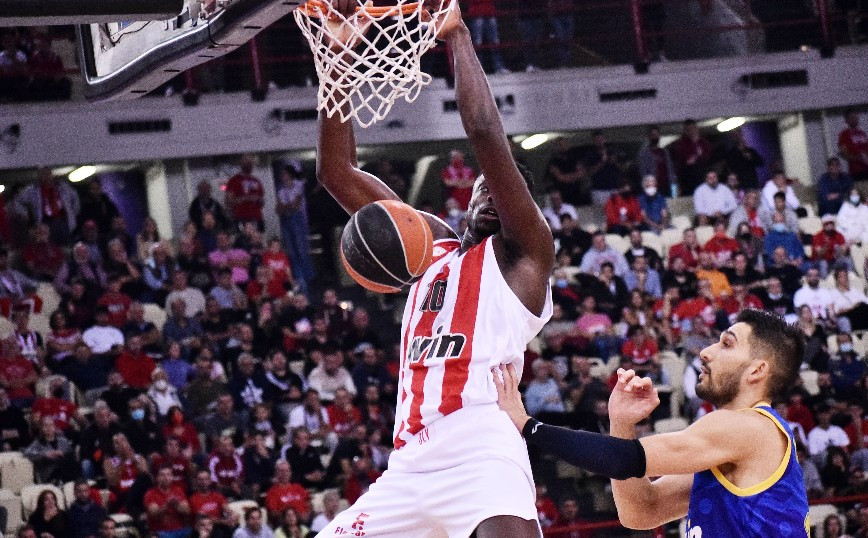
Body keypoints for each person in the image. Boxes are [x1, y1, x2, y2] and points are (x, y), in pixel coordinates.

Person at [314, 1, 554, 535]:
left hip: (483, 448)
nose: (492, 197)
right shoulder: (428, 247)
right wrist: (338, 55)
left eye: (505, 194)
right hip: (409, 461)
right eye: (483, 189)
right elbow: (336, 171)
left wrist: (458, 36)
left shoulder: (525, 257)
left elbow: (486, 133)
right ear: (465, 198)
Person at [493, 308, 809, 534]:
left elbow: (622, 459)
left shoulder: (748, 428)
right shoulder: (735, 451)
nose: (706, 352)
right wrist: (622, 424)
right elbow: (641, 512)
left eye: (726, 344)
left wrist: (528, 425)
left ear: (757, 370)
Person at [225, 154, 265, 230]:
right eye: (246, 162)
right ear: (241, 163)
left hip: (257, 217)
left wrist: (258, 199)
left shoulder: (256, 181)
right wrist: (246, 199)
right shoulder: (234, 180)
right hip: (241, 217)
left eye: (250, 162)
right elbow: (228, 202)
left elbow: (262, 201)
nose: (249, 164)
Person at [636, 125, 676, 197]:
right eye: (653, 134)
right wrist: (648, 186)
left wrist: (674, 185)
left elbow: (671, 170)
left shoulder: (664, 152)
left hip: (667, 186)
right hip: (652, 187)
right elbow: (643, 172)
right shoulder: (644, 153)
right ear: (649, 136)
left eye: (656, 134)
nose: (655, 136)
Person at [838, 109, 868, 181]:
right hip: (856, 172)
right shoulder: (844, 134)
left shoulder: (862, 133)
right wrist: (859, 158)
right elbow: (844, 154)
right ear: (847, 120)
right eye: (852, 117)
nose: (855, 119)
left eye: (856, 117)